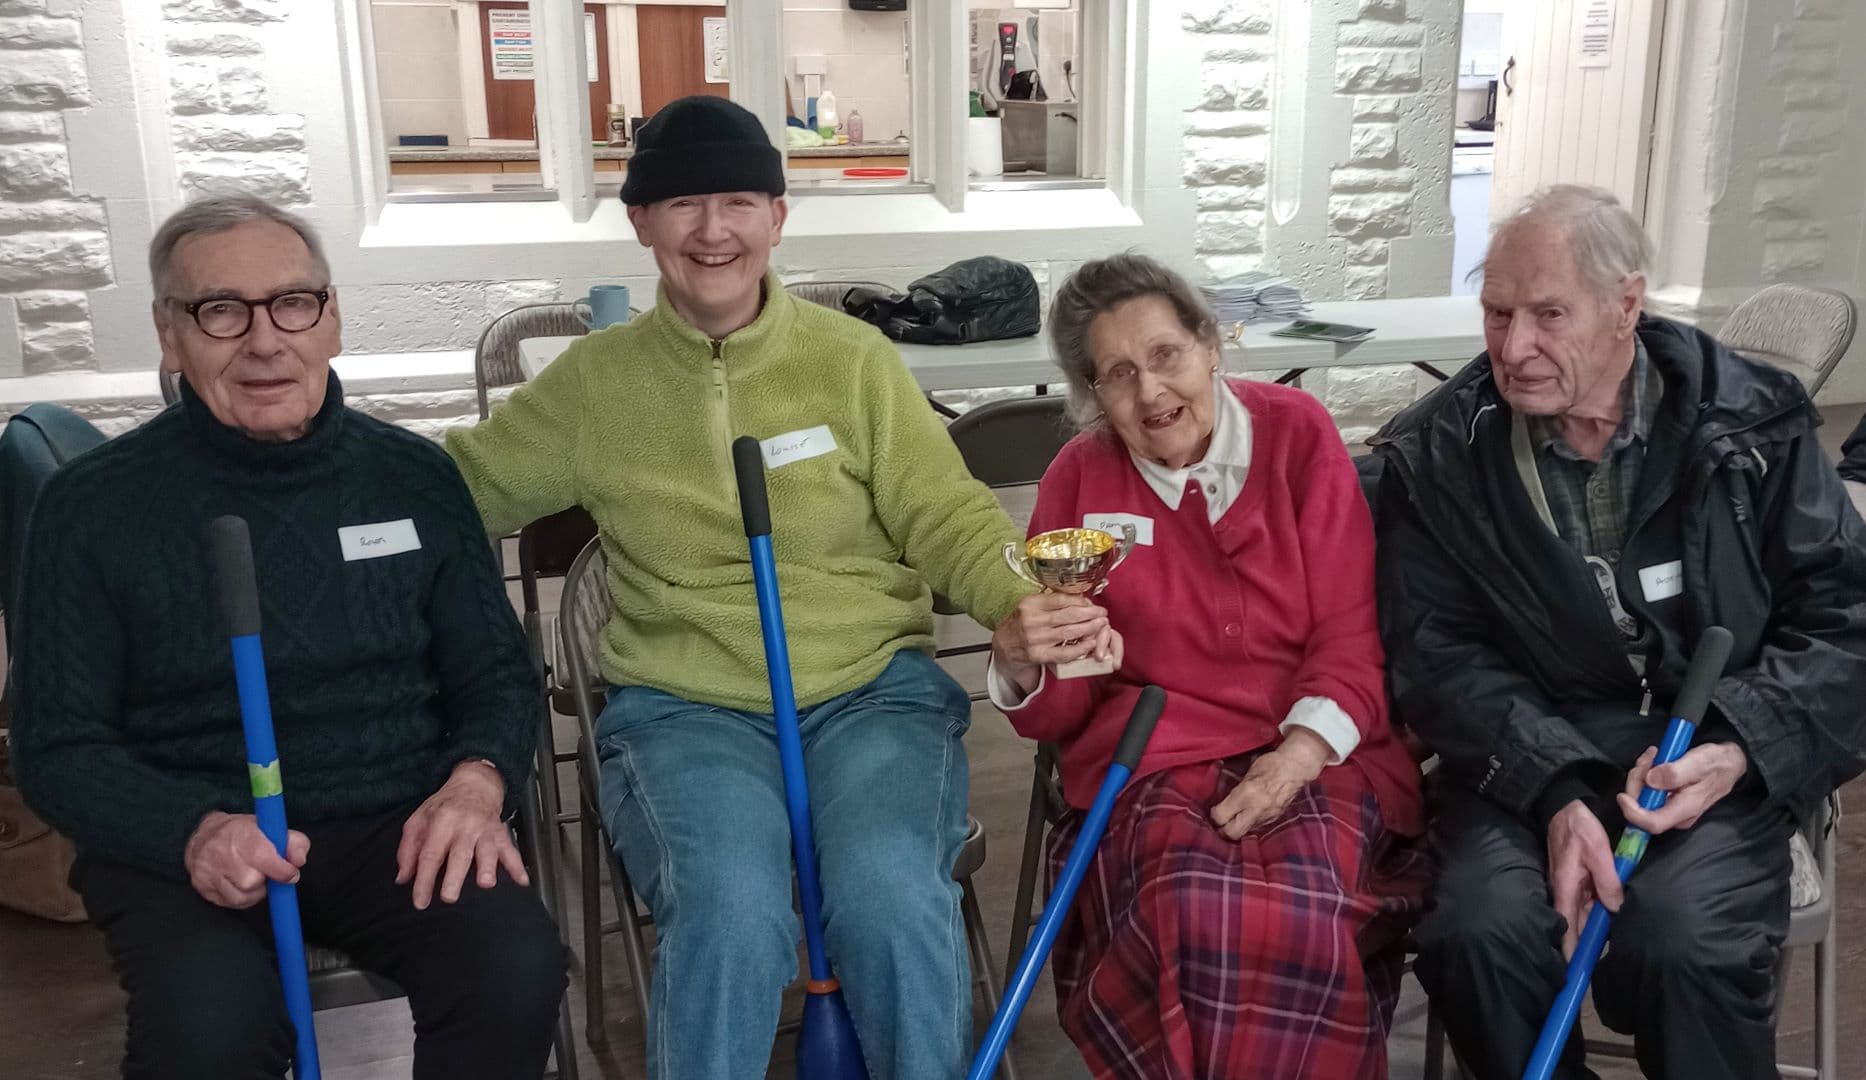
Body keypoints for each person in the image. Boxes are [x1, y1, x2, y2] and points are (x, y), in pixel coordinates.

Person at [443, 96, 1047, 1080]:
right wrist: (310, 464)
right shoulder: (594, 384)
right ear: (641, 222)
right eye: (683, 204)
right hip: (686, 712)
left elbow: (947, 514)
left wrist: (1015, 600)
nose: (712, 230)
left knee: (891, 898)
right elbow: (451, 492)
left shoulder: (853, 361)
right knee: (730, 912)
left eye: (737, 202)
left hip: (868, 695)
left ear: (777, 216)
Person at [9, 195, 568, 1080]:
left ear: (331, 318)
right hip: (191, 836)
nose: (265, 341)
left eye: (292, 304)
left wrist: (476, 781)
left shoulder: (413, 477)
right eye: (220, 311)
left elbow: (495, 671)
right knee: (208, 1039)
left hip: (398, 823)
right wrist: (192, 831)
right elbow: (57, 746)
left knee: (514, 972)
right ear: (169, 333)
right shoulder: (91, 509)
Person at [1371, 185, 1866, 1079]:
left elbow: (1846, 621)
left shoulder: (1752, 419)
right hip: (1525, 744)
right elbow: (1438, 656)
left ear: (1626, 305)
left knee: (1684, 945)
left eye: (1549, 315)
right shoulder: (1439, 453)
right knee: (1478, 935)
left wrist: (1740, 748)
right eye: (1497, 313)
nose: (1513, 348)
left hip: (1712, 741)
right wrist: (1555, 791)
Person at [987, 253, 1428, 1079]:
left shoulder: (1297, 434)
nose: (1151, 391)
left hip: (1317, 749)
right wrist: (1023, 661)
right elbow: (1063, 713)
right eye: (1118, 374)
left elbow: (1349, 635)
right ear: (1093, 393)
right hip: (1151, 759)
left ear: (1211, 344)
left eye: (1166, 355)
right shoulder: (1080, 476)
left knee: (1297, 915)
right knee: (1185, 907)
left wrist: (1296, 757)